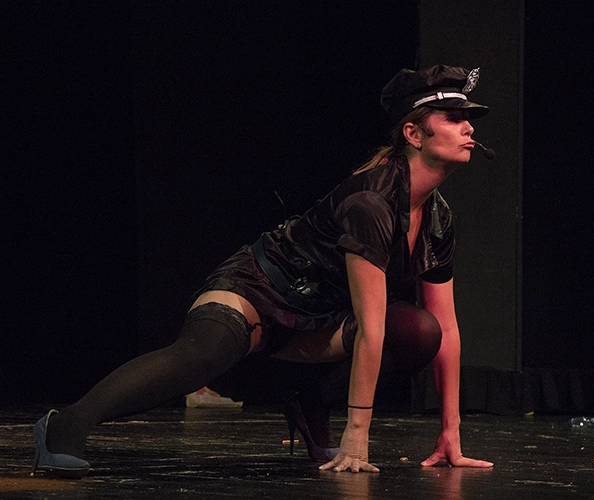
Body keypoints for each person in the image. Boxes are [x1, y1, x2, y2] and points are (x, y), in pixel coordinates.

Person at [31, 64, 495, 477]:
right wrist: (357, 436)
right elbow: (370, 328)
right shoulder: (370, 203)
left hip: (322, 319)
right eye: (453, 118)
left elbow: (447, 328)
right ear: (414, 134)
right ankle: (67, 423)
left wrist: (450, 433)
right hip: (260, 288)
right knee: (201, 354)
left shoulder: (437, 218)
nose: (469, 127)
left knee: (421, 331)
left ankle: (311, 401)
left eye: (467, 118)